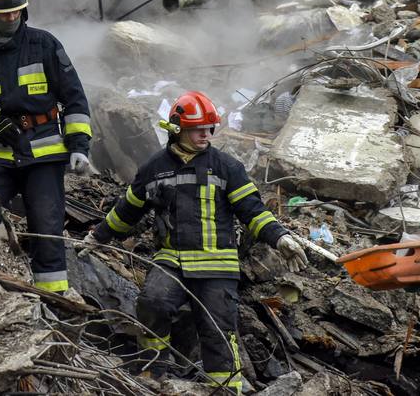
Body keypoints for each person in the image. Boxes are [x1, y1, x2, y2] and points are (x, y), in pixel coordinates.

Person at [83, 91, 309, 391]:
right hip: (171, 259)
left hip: (217, 264)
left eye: (209, 128)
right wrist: (97, 237)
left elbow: (252, 210)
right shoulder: (154, 168)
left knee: (217, 329)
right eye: (198, 129)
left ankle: (226, 388)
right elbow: (127, 210)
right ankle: (152, 373)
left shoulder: (227, 166)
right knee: (153, 303)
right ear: (177, 129)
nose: (206, 134)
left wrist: (280, 238)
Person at [0, 0, 93, 295]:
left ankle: (54, 297)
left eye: (16, 10)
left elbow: (74, 97)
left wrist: (79, 146)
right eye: (3, 12)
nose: (11, 16)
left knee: (46, 224)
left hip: (44, 154)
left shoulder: (44, 44)